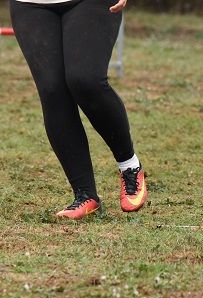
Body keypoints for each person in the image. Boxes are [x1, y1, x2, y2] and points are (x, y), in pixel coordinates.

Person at [10, 0, 147, 219]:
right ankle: (85, 195)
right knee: (53, 91)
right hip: (30, 4)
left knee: (85, 80)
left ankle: (129, 166)